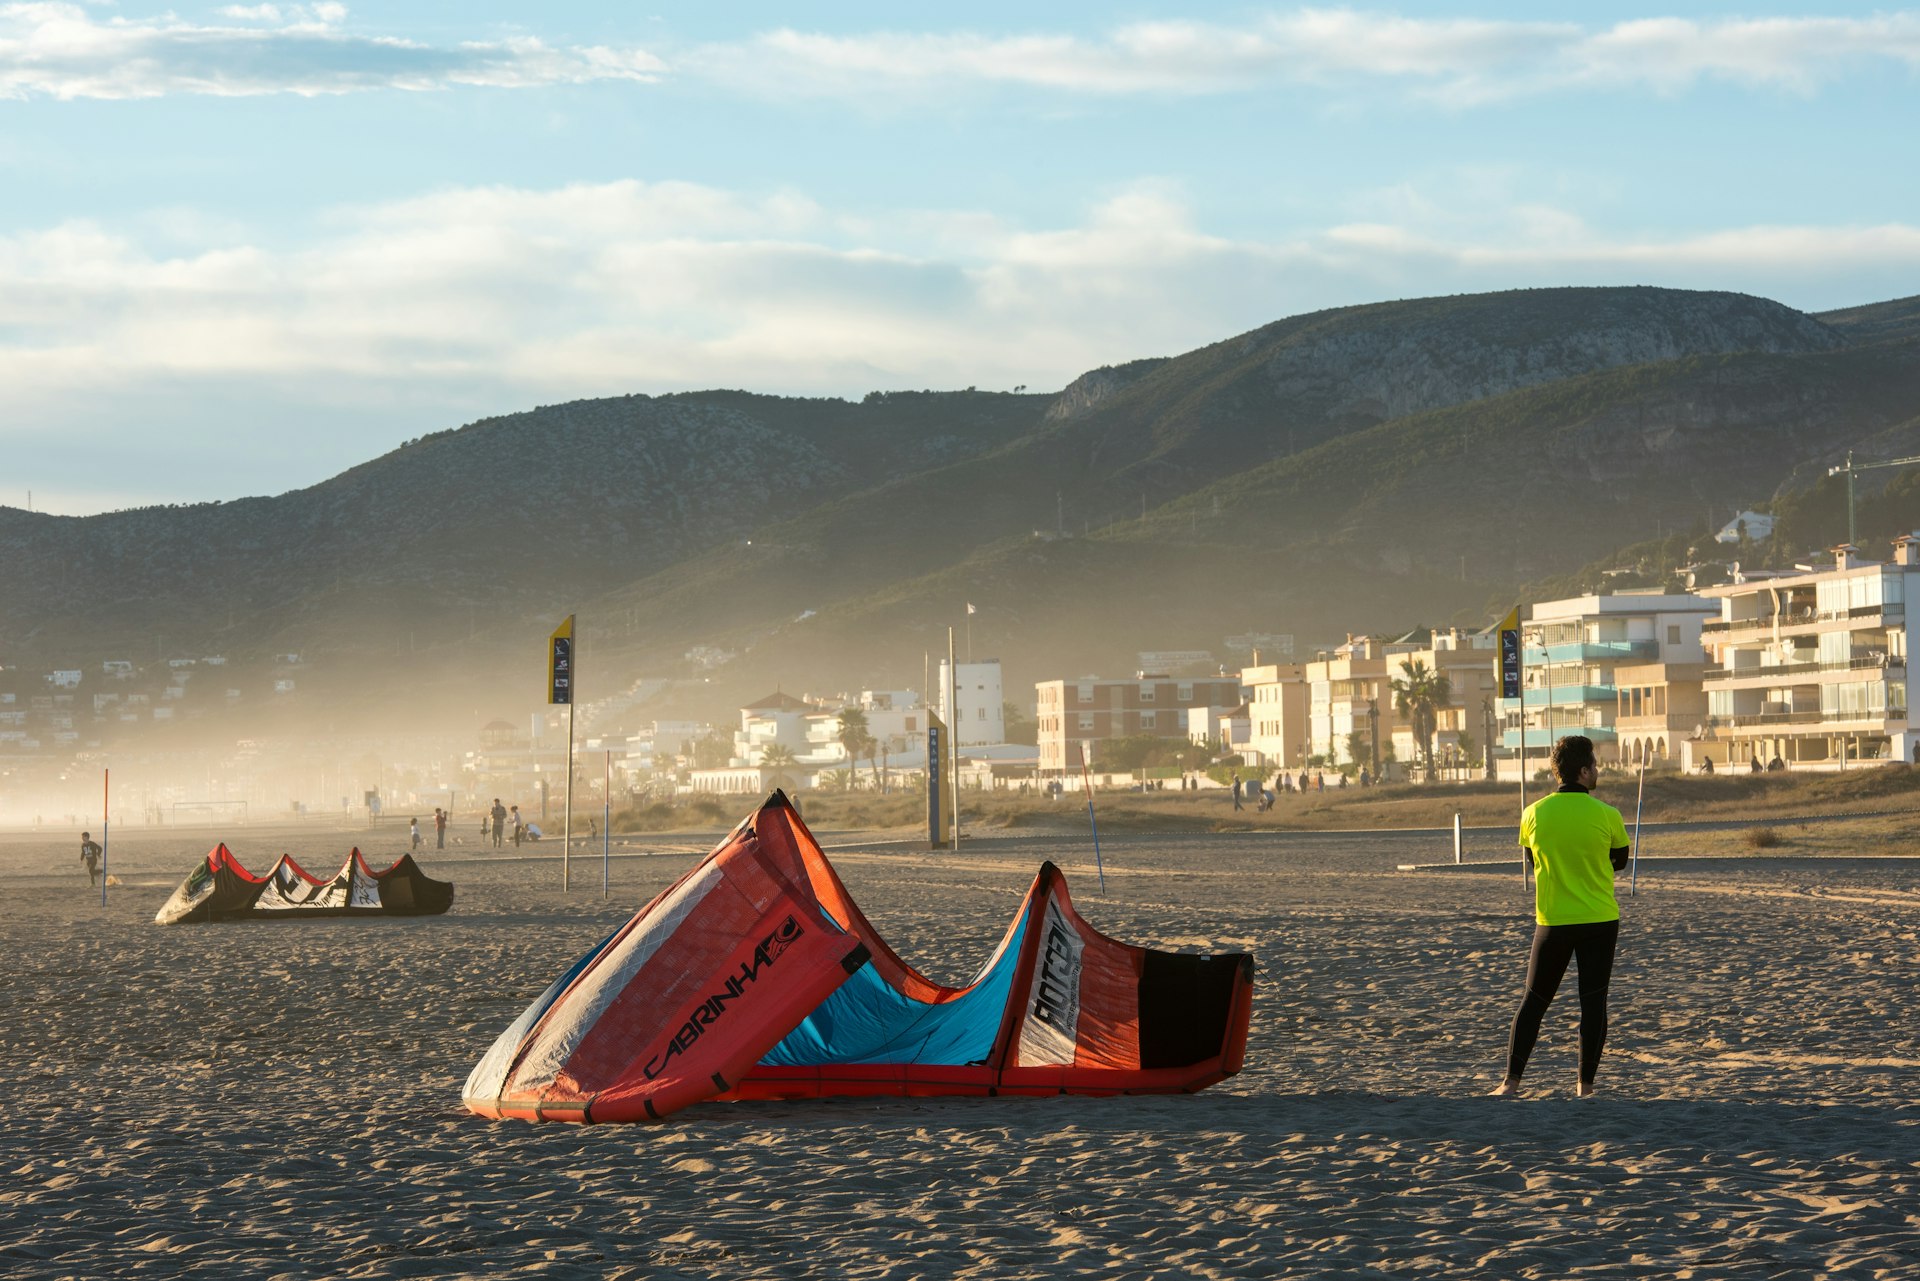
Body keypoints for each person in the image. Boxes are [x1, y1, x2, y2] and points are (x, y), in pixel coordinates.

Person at [1492, 734, 1629, 1100]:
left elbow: (1532, 860)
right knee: (1593, 1002)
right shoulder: (1609, 815)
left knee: (1534, 1000)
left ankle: (1511, 1083)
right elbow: (1619, 862)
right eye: (1595, 765)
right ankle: (1586, 1088)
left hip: (1552, 922)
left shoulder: (1533, 813)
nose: (1597, 770)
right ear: (1583, 771)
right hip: (1599, 921)